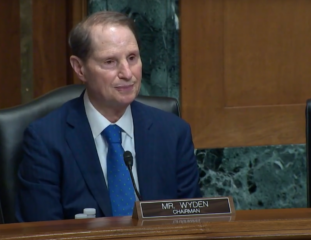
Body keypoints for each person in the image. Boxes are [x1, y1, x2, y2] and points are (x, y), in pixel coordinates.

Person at [16, 11, 202, 222]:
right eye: (110, 62)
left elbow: (193, 221)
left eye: (132, 58)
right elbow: (42, 231)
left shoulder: (173, 133)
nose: (127, 73)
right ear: (80, 68)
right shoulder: (45, 139)